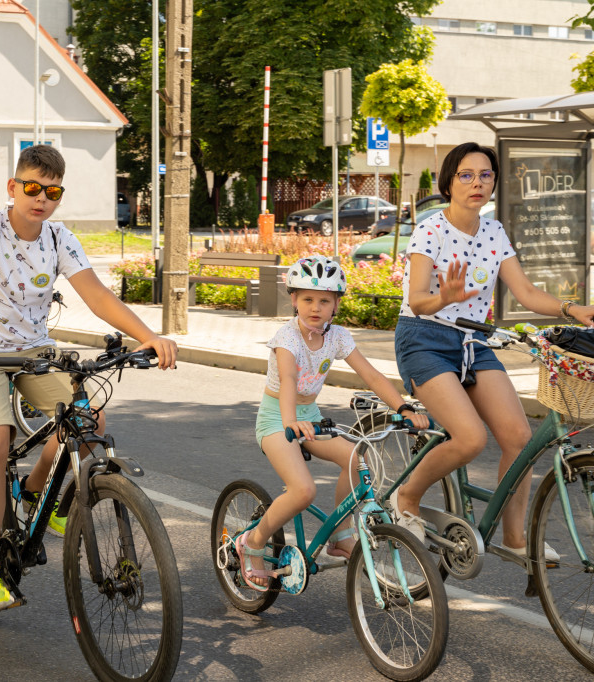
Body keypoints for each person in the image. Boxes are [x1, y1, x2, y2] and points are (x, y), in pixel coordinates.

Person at [0, 144, 178, 615]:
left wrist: (149, 336)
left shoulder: (59, 238)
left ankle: (34, 492)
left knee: (89, 418)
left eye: (51, 191)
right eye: (31, 187)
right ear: (13, 188)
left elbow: (97, 294)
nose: (40, 198)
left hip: (33, 350)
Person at [392, 141, 594, 560]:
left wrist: (575, 309)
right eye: (466, 175)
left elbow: (524, 292)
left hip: (473, 340)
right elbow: (416, 300)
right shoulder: (430, 228)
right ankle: (407, 498)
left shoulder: (494, 231)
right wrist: (445, 296)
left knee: (520, 439)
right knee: (468, 439)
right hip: (424, 338)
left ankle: (514, 538)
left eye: (485, 175)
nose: (477, 183)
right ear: (449, 182)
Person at [233, 256, 430, 589]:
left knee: (356, 457)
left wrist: (404, 408)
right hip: (277, 418)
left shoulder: (337, 336)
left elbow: (370, 374)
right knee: (303, 490)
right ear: (293, 299)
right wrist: (290, 422)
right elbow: (289, 379)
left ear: (336, 304)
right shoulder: (287, 338)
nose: (315, 307)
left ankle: (339, 537)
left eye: (324, 300)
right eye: (307, 299)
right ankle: (251, 542)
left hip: (308, 416)